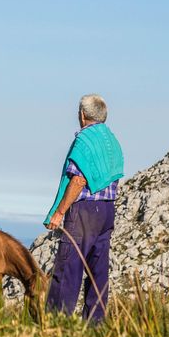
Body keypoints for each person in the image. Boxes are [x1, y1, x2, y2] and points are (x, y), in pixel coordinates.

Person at [43, 93, 124, 322]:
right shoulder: (112, 141)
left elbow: (78, 180)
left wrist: (59, 212)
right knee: (98, 272)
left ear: (81, 115)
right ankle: (95, 325)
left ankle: (56, 325)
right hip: (107, 210)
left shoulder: (85, 141)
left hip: (84, 212)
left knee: (68, 268)